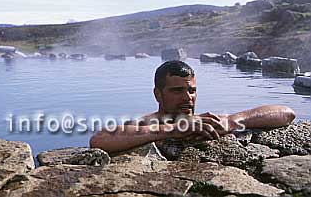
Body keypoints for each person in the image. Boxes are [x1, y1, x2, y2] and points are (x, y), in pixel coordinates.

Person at [90, 60, 296, 154]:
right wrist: (172, 130)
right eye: (177, 91)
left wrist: (234, 121)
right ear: (158, 94)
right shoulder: (145, 123)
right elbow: (99, 140)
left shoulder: (207, 122)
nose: (188, 97)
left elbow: (286, 113)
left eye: (191, 90)